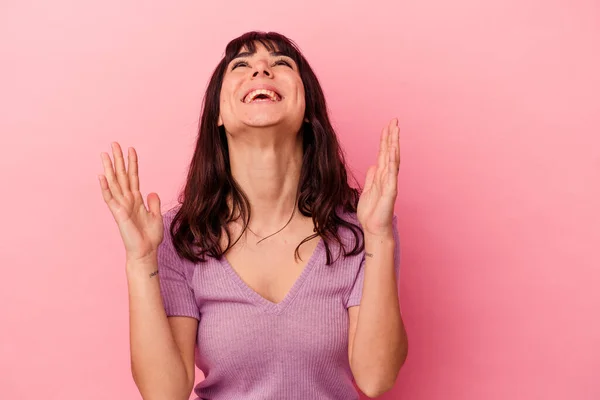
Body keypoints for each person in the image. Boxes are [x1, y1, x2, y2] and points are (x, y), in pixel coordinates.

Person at [98, 31, 407, 400]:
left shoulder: (360, 227)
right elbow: (165, 393)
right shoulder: (180, 236)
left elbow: (376, 378)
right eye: (241, 65)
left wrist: (379, 237)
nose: (260, 69)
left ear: (308, 110)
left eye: (280, 63)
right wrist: (140, 260)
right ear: (217, 115)